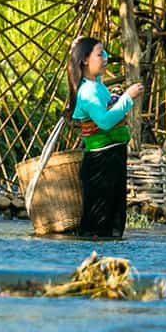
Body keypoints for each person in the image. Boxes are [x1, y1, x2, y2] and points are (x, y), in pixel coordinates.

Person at [65, 37, 144, 238]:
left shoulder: (96, 85)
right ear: (84, 60)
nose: (106, 58)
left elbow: (98, 88)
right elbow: (105, 122)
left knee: (114, 215)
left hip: (112, 156)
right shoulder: (87, 92)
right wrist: (127, 98)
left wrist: (76, 46)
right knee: (99, 220)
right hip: (101, 160)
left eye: (106, 53)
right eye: (100, 54)